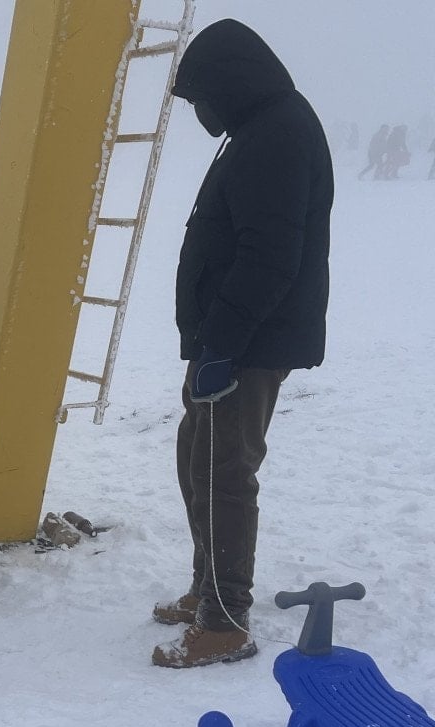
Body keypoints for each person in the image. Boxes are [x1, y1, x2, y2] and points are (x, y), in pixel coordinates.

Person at [151, 19, 333, 668]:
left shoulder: (278, 134)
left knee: (224, 473)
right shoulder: (257, 129)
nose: (201, 112)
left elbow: (269, 257)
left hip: (247, 344)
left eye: (202, 98)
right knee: (197, 460)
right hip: (226, 339)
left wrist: (224, 345)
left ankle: (225, 620)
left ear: (229, 84)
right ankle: (207, 590)